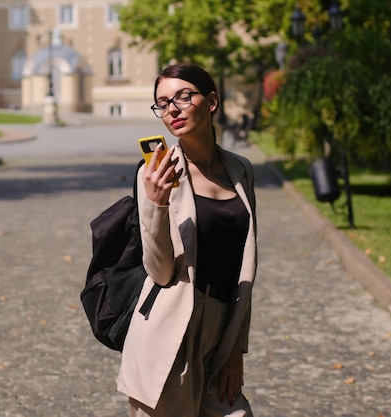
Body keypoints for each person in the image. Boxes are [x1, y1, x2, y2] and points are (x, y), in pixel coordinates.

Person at [116, 63, 257, 417]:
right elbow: (160, 272)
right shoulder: (156, 173)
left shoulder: (241, 171)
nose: (172, 109)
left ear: (211, 101)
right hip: (170, 331)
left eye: (183, 96)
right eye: (162, 103)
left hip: (221, 329)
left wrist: (236, 350)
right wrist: (157, 204)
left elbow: (244, 267)